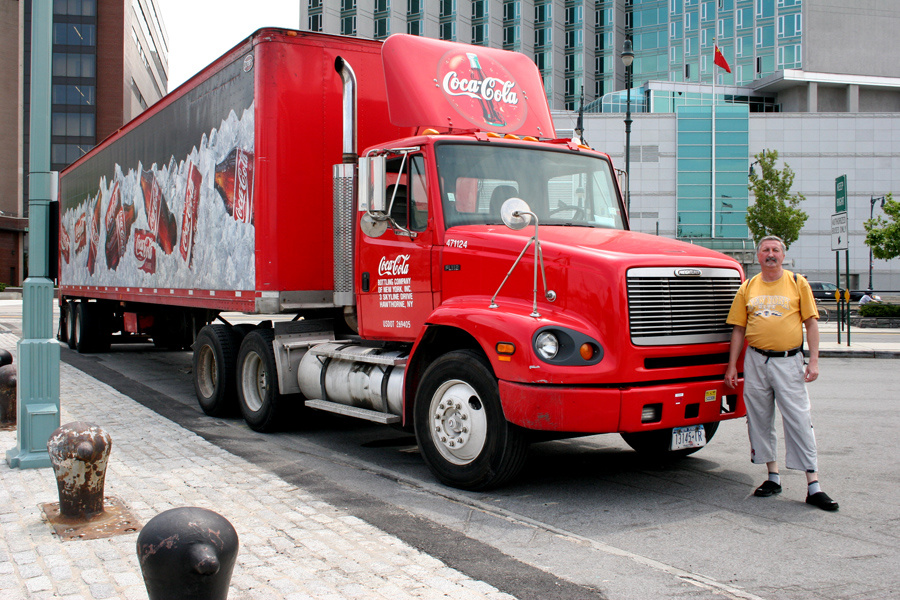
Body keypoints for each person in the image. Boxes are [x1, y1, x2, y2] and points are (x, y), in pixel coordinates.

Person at [724, 236, 839, 512]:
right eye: (766, 250)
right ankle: (772, 477)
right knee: (759, 419)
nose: (771, 254)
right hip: (755, 361)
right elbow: (738, 329)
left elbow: (811, 324)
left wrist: (813, 361)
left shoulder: (797, 283)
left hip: (789, 361)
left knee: (799, 418)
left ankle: (814, 485)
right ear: (758, 256)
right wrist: (732, 366)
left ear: (783, 256)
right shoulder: (748, 287)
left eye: (776, 250)